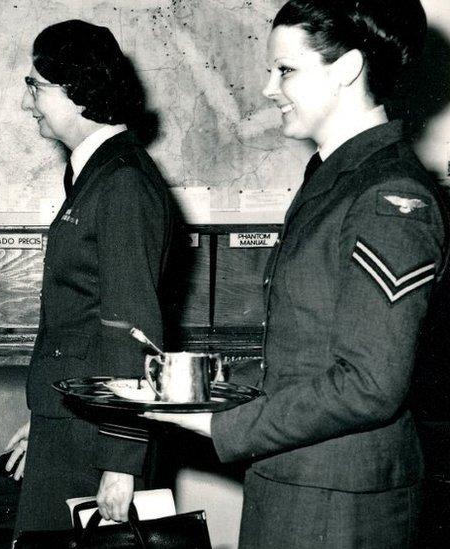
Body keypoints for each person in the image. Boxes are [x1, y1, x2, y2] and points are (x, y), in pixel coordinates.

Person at [145, 1, 447, 547]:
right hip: (297, 482)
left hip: (338, 504)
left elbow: (371, 384)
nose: (267, 88)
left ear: (349, 69)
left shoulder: (388, 197)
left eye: (285, 70)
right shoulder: (335, 179)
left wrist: (223, 426)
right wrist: (212, 391)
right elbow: (306, 352)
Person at [3, 20, 177, 535]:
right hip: (75, 421)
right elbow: (79, 315)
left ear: (76, 89)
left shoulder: (121, 182)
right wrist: (47, 418)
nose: (27, 100)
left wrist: (121, 462)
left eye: (36, 86)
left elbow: (132, 326)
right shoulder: (98, 172)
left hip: (98, 435)